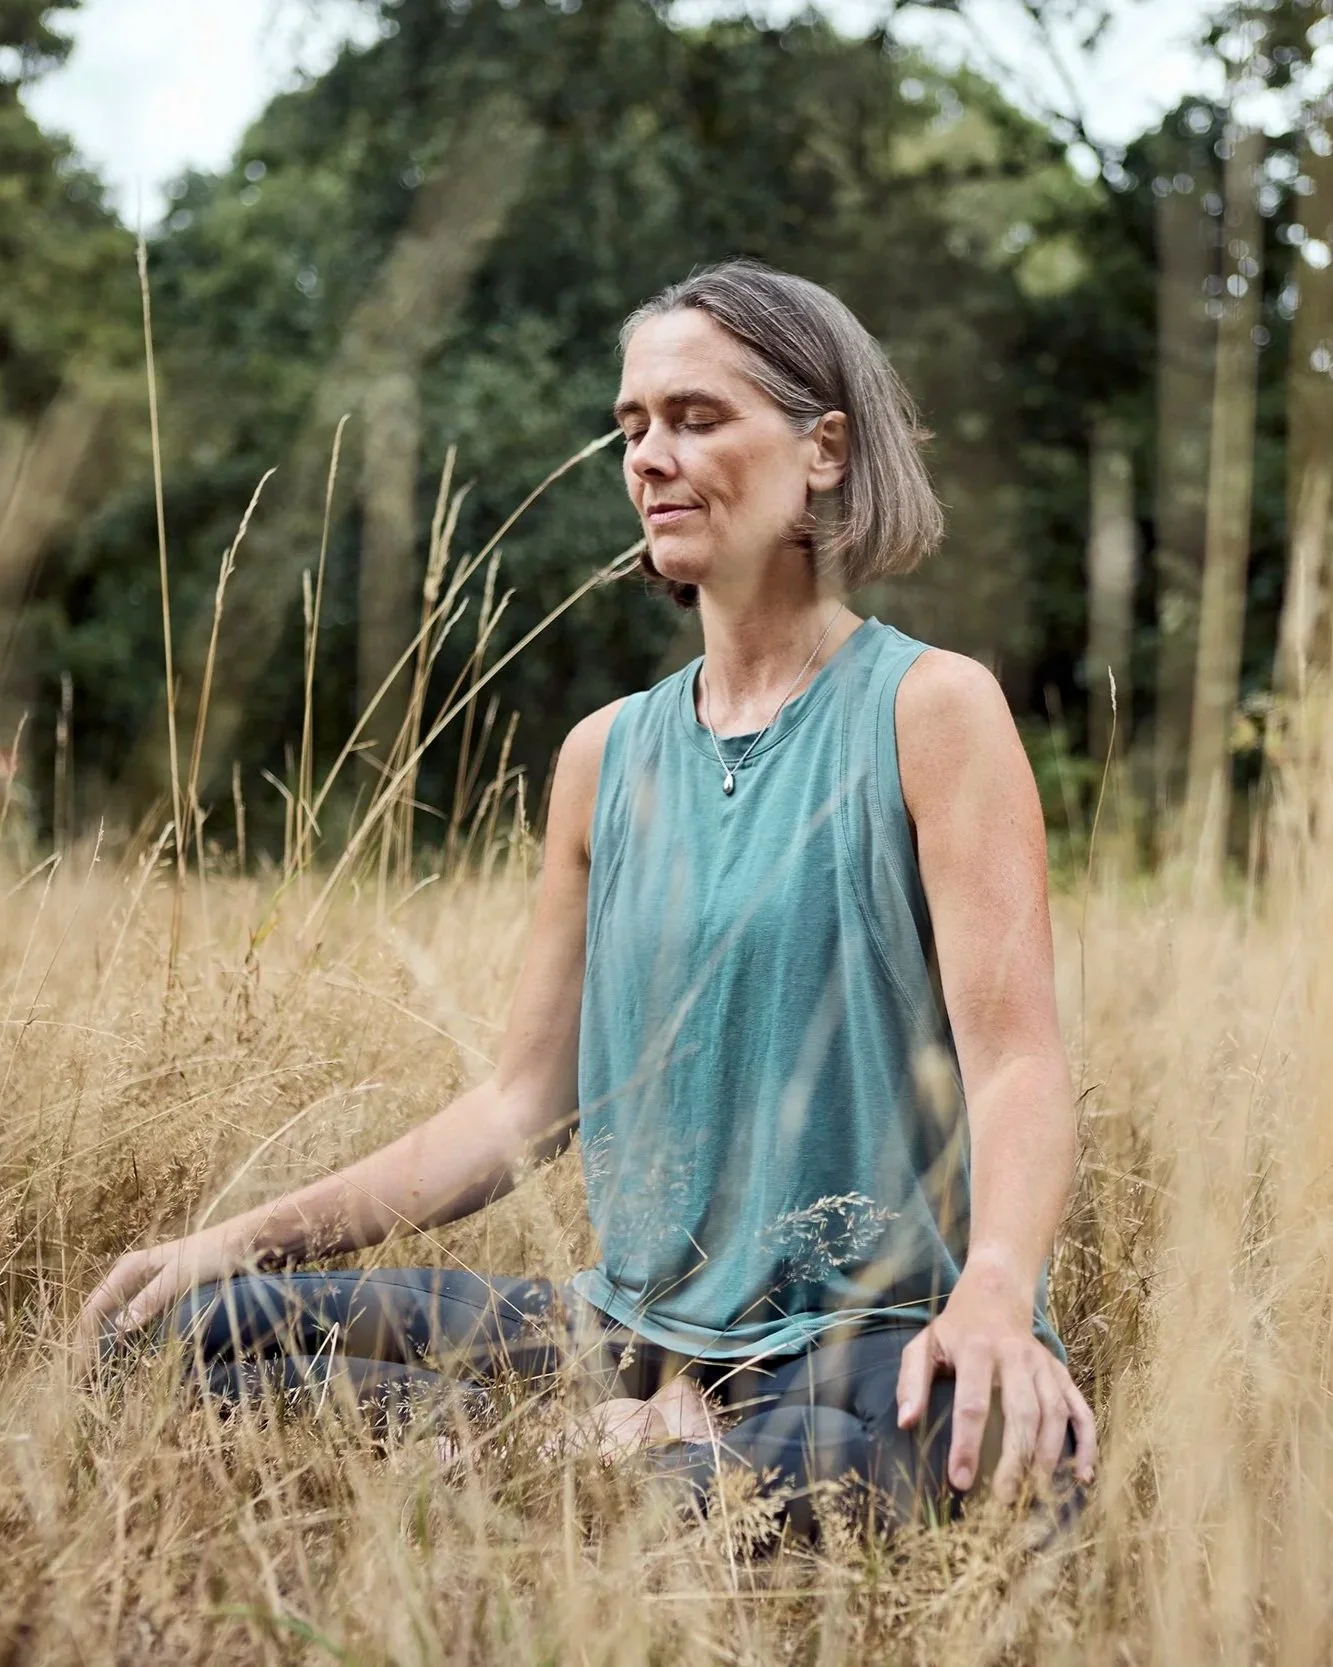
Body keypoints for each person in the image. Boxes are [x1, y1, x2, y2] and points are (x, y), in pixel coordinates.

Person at [79, 260, 1096, 1532]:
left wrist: (995, 1285)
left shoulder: (931, 709)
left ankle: (616, 1458)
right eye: (631, 427)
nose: (650, 457)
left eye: (696, 417)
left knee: (994, 1458)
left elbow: (1017, 1066)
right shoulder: (603, 756)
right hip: (623, 1327)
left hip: (867, 1341)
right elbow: (521, 1104)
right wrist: (240, 1237)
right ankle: (599, 1441)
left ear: (823, 450)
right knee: (182, 1329)